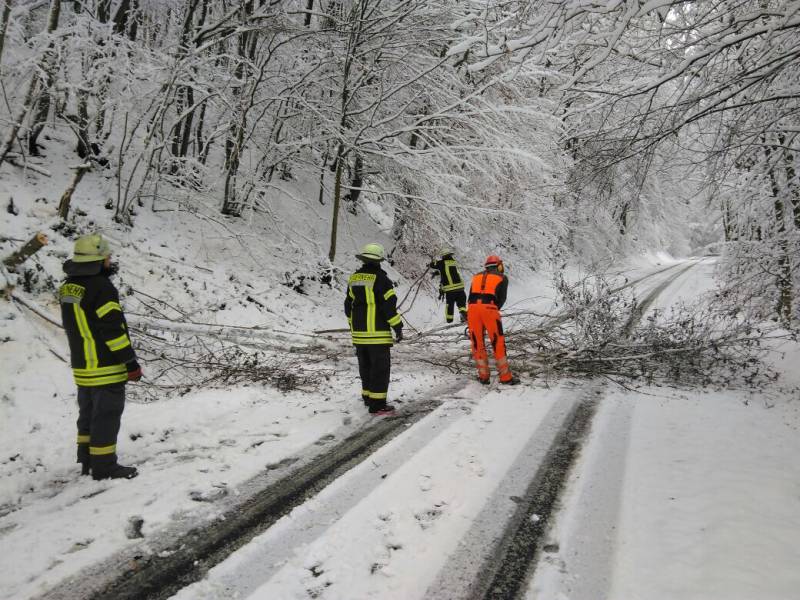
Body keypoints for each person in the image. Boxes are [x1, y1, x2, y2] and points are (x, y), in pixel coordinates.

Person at [59, 233, 141, 480]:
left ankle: (87, 459)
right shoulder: (101, 288)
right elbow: (113, 331)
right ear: (99, 258)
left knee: (88, 414)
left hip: (82, 366)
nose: (110, 260)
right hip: (105, 366)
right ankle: (105, 466)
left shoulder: (68, 287)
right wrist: (130, 362)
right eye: (108, 256)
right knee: (106, 415)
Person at [344, 243, 403, 415]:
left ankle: (368, 396)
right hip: (377, 335)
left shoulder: (354, 278)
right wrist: (398, 327)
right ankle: (377, 405)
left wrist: (352, 326)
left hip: (359, 335)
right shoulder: (382, 280)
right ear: (379, 261)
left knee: (365, 366)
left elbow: (348, 306)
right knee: (380, 369)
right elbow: (389, 308)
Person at [467, 255, 520, 385]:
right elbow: (501, 299)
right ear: (499, 266)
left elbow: (470, 296)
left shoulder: (476, 276)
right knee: (497, 342)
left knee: (477, 343)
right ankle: (505, 377)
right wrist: (492, 310)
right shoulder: (502, 277)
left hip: (472, 309)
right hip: (489, 309)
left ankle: (484, 377)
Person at [429, 248, 467, 324]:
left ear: (443, 256)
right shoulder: (453, 262)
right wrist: (437, 273)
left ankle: (449, 320)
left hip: (450, 290)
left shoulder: (442, 263)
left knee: (449, 304)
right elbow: (447, 272)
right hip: (460, 288)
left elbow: (433, 265)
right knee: (461, 304)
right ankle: (463, 315)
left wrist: (431, 261)